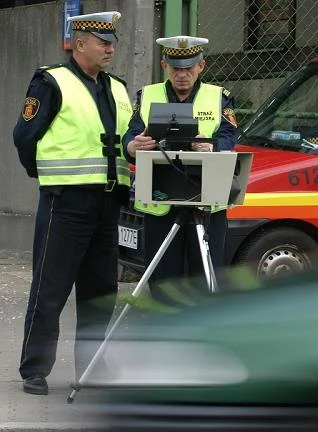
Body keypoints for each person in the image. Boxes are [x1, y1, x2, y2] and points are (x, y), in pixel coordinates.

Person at [13, 11, 133, 395]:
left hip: (108, 202)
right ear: (79, 44)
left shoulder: (117, 86)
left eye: (113, 42)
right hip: (66, 202)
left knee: (100, 292)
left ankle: (93, 366)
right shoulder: (51, 81)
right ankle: (35, 369)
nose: (111, 48)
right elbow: (24, 136)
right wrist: (47, 178)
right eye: (103, 42)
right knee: (51, 288)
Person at [123, 35, 237, 304]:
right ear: (165, 66)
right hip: (160, 199)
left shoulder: (219, 97)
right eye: (176, 67)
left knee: (206, 278)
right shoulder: (148, 95)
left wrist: (212, 147)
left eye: (188, 67)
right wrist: (132, 146)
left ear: (201, 66)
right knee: (163, 280)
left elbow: (230, 136)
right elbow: (129, 136)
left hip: (206, 199)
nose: (182, 74)